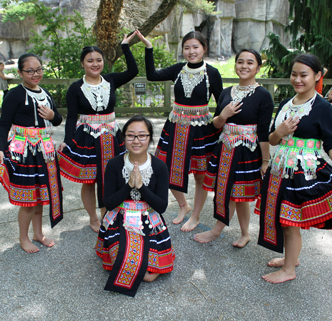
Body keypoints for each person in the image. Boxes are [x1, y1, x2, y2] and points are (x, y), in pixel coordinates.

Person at [256, 54, 332, 284]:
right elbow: (272, 140)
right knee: (283, 217)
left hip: (303, 172)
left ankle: (289, 269)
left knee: (290, 221)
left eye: (304, 75)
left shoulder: (323, 107)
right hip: (279, 169)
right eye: (294, 74)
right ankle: (290, 259)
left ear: (317, 76)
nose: (298, 79)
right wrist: (281, 131)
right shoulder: (285, 103)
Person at [136, 30, 223, 231]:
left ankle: (195, 215)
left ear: (204, 48)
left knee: (200, 175)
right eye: (187, 47)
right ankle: (184, 205)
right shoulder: (178, 69)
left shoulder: (212, 73)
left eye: (195, 47)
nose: (191, 51)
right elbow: (152, 75)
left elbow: (221, 103)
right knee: (167, 168)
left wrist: (219, 128)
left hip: (202, 130)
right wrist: (149, 49)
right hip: (176, 126)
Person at [57, 32, 139, 232]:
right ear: (82, 63)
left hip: (111, 136)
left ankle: (109, 213)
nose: (95, 64)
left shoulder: (110, 80)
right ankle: (93, 217)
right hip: (87, 137)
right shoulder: (75, 88)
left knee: (113, 176)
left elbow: (133, 71)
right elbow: (71, 117)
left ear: (103, 62)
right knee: (89, 179)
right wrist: (67, 140)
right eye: (90, 61)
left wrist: (125, 46)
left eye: (99, 60)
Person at [195, 49, 273, 247]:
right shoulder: (226, 92)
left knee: (236, 192)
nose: (244, 66)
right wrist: (225, 114)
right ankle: (245, 234)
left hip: (247, 151)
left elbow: (264, 132)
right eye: (240, 62)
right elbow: (216, 124)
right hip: (225, 147)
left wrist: (265, 161)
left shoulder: (263, 95)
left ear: (258, 67)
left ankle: (217, 230)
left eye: (250, 62)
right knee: (236, 193)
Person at [95, 115, 175, 297]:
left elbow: (161, 206)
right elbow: (108, 203)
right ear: (123, 138)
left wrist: (141, 186)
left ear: (149, 138)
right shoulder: (114, 164)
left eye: (142, 136)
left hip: (149, 219)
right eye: (130, 136)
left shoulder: (160, 166)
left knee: (147, 274)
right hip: (119, 218)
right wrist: (129, 185)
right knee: (127, 264)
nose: (136, 140)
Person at [0, 53, 63, 253]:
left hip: (44, 151)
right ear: (20, 72)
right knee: (28, 198)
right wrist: (0, 148)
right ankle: (23, 237)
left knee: (41, 195)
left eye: (39, 69)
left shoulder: (46, 93)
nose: (36, 74)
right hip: (24, 152)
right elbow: (3, 124)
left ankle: (38, 233)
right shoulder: (14, 95)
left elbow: (57, 120)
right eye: (30, 71)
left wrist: (53, 115)